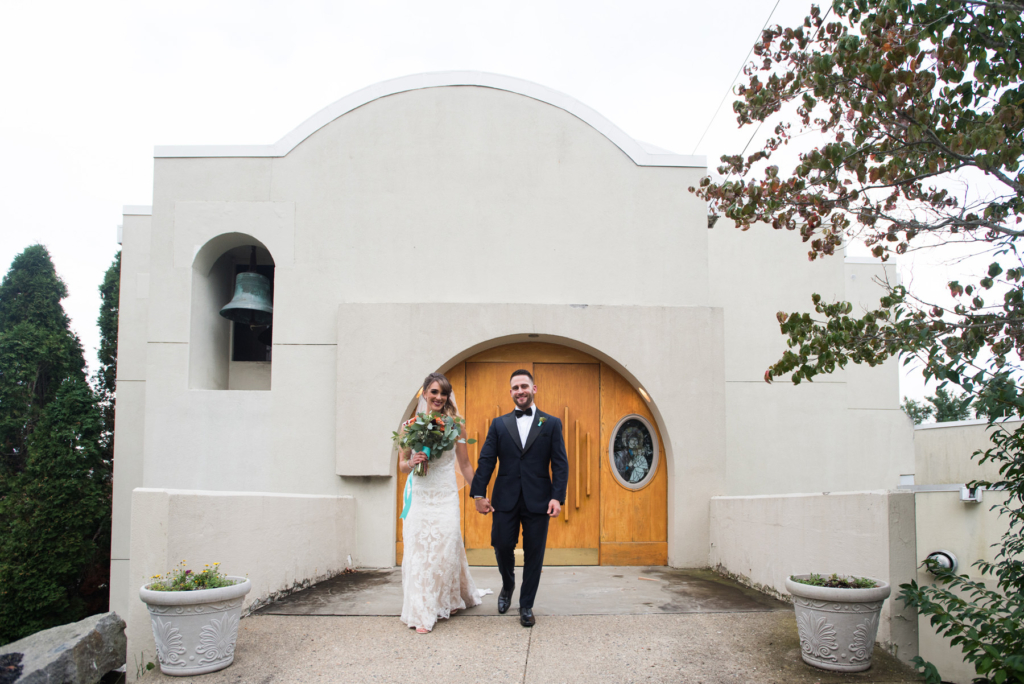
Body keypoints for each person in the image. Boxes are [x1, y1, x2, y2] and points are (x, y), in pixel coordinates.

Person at [470, 369, 569, 627]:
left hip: (539, 500)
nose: (520, 391)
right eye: (515, 388)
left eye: (524, 386)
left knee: (535, 554)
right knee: (502, 546)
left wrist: (557, 497)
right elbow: (486, 461)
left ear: (534, 389)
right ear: (511, 392)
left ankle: (526, 605)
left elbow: (560, 464)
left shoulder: (551, 423)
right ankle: (508, 584)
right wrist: (479, 494)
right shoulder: (499, 424)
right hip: (505, 499)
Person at [399, 372, 490, 633]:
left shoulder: (456, 427)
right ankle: (423, 610)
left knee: (445, 549)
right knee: (419, 552)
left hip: (445, 495)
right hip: (420, 495)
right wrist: (412, 461)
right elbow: (403, 466)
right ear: (425, 393)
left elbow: (465, 465)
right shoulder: (409, 425)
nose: (439, 397)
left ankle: (449, 598)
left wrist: (480, 494)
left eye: (443, 393)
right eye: (434, 392)